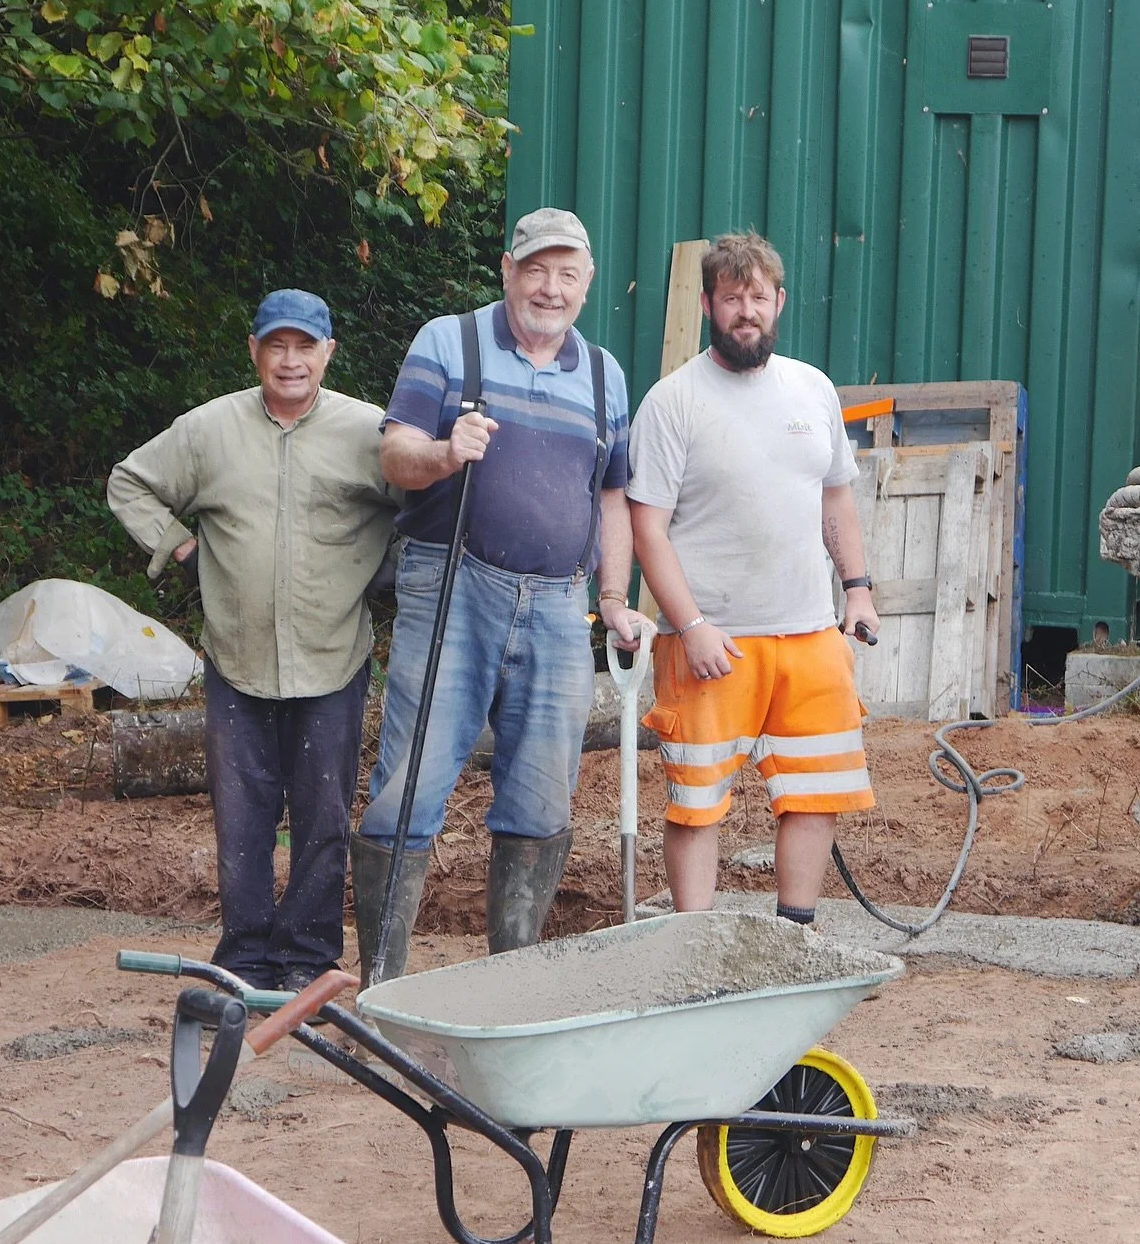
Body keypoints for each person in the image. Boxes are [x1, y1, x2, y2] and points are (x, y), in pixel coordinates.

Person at [353, 207, 647, 981]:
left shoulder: (605, 373)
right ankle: (381, 989)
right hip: (454, 587)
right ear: (508, 270)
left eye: (567, 274)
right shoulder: (451, 342)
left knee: (543, 801)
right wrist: (447, 452)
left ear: (587, 285)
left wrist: (613, 597)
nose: (550, 289)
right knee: (407, 792)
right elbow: (394, 454)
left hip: (559, 605)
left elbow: (613, 498)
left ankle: (508, 987)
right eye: (536, 270)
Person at [108, 289, 398, 990]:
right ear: (254, 351)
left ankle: (305, 959)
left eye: (306, 347)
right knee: (242, 814)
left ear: (329, 353)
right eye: (277, 345)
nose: (290, 361)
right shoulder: (209, 430)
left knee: (323, 814)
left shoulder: (371, 431)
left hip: (333, 655)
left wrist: (384, 573)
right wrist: (179, 548)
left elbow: (419, 506)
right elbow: (130, 483)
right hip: (236, 657)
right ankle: (243, 958)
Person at [626, 231, 879, 926]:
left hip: (809, 636)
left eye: (758, 298)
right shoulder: (673, 401)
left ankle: (792, 937)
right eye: (732, 298)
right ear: (708, 304)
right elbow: (648, 527)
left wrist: (857, 588)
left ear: (780, 303)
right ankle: (695, 944)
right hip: (711, 644)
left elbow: (836, 499)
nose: (747, 311)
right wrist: (694, 625)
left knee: (815, 795)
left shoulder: (812, 389)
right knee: (698, 800)